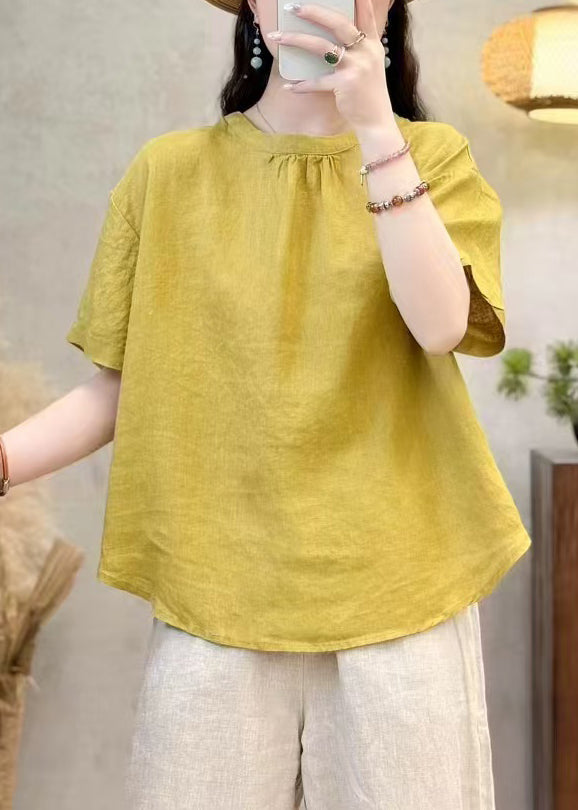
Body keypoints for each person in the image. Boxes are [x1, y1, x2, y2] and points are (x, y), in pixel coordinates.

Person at [0, 0, 532, 806]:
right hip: (218, 587)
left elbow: (440, 326)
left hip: (402, 587)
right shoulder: (168, 174)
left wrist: (376, 130)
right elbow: (123, 388)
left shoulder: (433, 158)